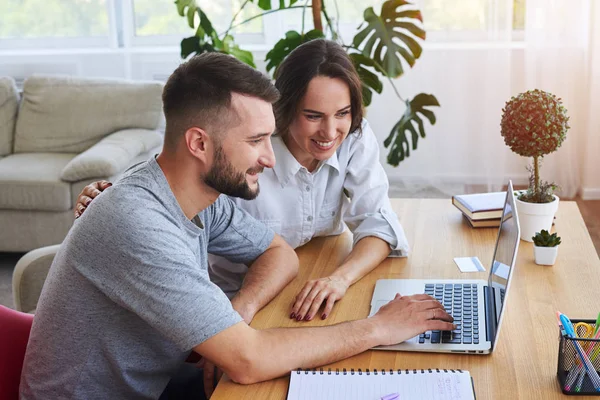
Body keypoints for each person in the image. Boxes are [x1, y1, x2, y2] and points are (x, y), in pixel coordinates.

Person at [21, 52, 454, 400]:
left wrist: (238, 309)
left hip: (162, 378)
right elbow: (248, 361)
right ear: (198, 143)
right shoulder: (137, 223)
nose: (269, 158)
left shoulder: (201, 197)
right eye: (255, 141)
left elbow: (279, 253)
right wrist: (379, 327)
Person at [76, 39, 410, 324]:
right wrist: (114, 196)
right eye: (312, 116)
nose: (330, 132)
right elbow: (178, 175)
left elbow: (377, 222)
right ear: (285, 109)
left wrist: (339, 280)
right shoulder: (241, 155)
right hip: (230, 294)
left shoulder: (352, 137)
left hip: (293, 279)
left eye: (342, 113)